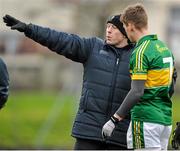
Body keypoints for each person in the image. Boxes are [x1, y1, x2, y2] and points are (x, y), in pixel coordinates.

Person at [3, 14, 134, 149]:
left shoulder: (137, 56)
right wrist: (28, 29)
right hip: (88, 132)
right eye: (108, 26)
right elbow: (60, 39)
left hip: (119, 136)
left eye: (114, 27)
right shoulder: (93, 47)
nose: (108, 30)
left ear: (125, 33)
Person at [102, 3, 177, 150]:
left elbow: (137, 91)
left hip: (145, 121)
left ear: (130, 25)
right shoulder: (163, 49)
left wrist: (114, 119)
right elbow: (170, 89)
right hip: (164, 121)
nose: (125, 31)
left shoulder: (140, 51)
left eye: (124, 26)